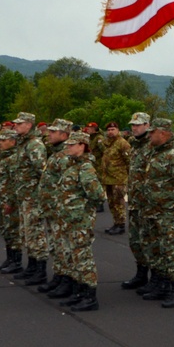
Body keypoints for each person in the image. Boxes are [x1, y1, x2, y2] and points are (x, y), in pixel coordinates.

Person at [139, 118, 174, 308]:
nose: (150, 135)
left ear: (163, 133)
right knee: (154, 249)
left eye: (153, 132)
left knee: (169, 251)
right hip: (152, 210)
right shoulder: (155, 152)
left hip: (169, 212)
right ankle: (161, 284)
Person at [56, 131, 106, 311]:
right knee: (73, 257)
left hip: (80, 221)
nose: (67, 147)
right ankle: (79, 292)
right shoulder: (72, 166)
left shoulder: (85, 168)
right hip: (69, 220)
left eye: (72, 144)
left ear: (82, 146)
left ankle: (90, 297)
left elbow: (98, 195)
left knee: (83, 258)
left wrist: (83, 209)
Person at [36, 119, 73, 293]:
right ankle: (58, 276)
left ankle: (67, 280)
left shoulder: (65, 155)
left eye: (53, 131)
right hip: (52, 208)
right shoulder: (56, 153)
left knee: (64, 246)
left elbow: (67, 186)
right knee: (55, 245)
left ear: (64, 135)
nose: (49, 134)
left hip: (61, 210)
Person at [11, 112, 48, 283]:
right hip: (24, 196)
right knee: (27, 233)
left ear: (29, 125)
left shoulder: (34, 145)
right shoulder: (23, 143)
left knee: (36, 233)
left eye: (20, 123)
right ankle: (32, 266)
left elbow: (43, 172)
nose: (16, 126)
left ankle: (40, 270)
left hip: (33, 197)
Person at [121, 113, 154, 292]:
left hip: (148, 203)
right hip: (135, 200)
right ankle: (141, 274)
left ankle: (155, 278)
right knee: (135, 241)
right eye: (133, 125)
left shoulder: (151, 145)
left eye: (138, 125)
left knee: (149, 241)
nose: (135, 128)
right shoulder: (135, 145)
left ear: (147, 125)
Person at [0, 128, 24, 274]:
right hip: (1, 198)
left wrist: (10, 201)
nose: (0, 143)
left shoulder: (15, 159)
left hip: (10, 200)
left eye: (4, 140)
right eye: (0, 140)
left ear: (13, 142)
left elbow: (15, 182)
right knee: (5, 230)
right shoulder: (4, 157)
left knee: (13, 231)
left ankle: (16, 261)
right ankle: (10, 258)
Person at [100, 121, 132, 235]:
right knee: (111, 203)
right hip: (108, 178)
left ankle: (121, 224)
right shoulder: (107, 143)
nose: (110, 132)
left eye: (113, 130)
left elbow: (129, 161)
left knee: (119, 202)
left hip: (119, 179)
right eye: (108, 130)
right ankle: (116, 222)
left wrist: (129, 178)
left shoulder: (122, 143)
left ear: (118, 130)